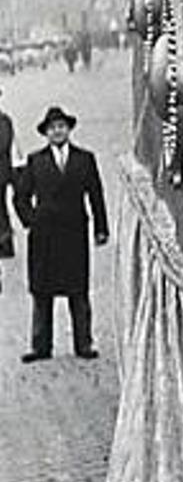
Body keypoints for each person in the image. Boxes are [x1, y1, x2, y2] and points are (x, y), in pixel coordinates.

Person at [14, 106, 108, 362]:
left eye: (61, 126)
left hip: (74, 233)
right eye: (53, 128)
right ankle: (40, 347)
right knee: (42, 292)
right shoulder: (35, 161)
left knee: (78, 291)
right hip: (44, 237)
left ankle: (84, 344)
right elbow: (20, 197)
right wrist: (31, 221)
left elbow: (96, 195)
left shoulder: (84, 159)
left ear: (69, 130)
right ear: (46, 133)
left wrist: (101, 228)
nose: (57, 131)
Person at [0, 87, 15, 260]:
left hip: (1, 174)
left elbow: (3, 145)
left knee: (1, 209)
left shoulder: (3, 121)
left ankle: (6, 245)